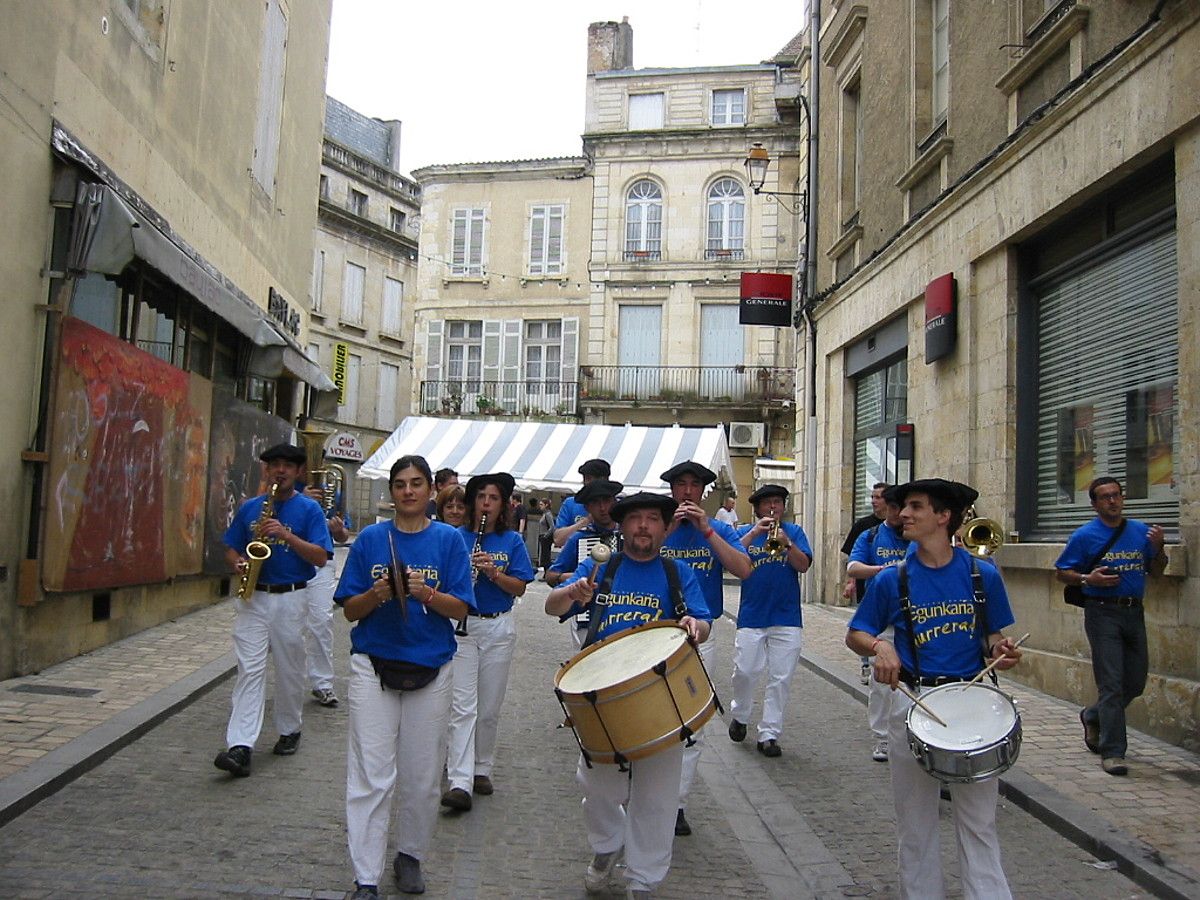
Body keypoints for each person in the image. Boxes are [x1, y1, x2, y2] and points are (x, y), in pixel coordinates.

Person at [846, 478, 1023, 900]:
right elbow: (856, 633)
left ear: (944, 517)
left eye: (915, 507)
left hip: (972, 705)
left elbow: (992, 637)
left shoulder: (984, 574)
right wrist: (879, 645)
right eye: (904, 506)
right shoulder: (894, 579)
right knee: (916, 824)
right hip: (912, 705)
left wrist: (1001, 649)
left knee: (979, 823)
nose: (903, 514)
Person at [545, 491, 712, 900]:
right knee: (596, 785)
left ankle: (643, 881)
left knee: (657, 796)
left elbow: (703, 622)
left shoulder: (677, 573)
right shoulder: (603, 566)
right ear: (622, 526)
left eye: (652, 518)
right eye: (634, 518)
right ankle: (606, 846)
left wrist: (694, 625)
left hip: (658, 694)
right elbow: (551, 606)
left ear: (665, 526)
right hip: (602, 694)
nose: (642, 525)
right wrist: (572, 594)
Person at [335, 455, 475, 899]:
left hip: (431, 668)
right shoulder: (371, 540)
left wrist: (425, 593)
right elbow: (349, 611)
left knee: (420, 774)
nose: (408, 491)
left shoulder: (450, 540)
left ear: (431, 489)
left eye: (417, 483)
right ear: (391, 492)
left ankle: (410, 855)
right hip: (373, 665)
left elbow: (462, 609)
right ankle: (366, 876)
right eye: (400, 484)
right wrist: (377, 594)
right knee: (370, 774)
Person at [214, 443, 333, 778]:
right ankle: (240, 745)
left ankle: (289, 728)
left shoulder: (309, 511)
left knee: (289, 668)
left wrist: (285, 535)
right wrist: (237, 562)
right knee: (249, 670)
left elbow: (321, 557)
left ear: (297, 473)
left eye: (287, 466)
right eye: (274, 465)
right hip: (253, 597)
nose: (280, 471)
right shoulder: (252, 508)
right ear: (267, 471)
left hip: (290, 598)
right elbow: (231, 547)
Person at [659, 460, 752, 837]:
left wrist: (707, 531)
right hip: (655, 635)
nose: (686, 492)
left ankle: (677, 804)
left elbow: (744, 569)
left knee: (691, 725)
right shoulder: (657, 525)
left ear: (703, 492)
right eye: (680, 485)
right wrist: (669, 527)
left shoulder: (719, 529)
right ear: (671, 491)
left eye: (693, 486)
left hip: (700, 637)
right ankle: (648, 796)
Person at [1055, 476, 1168, 776]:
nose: (1112, 501)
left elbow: (1156, 572)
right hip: (1102, 612)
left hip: (1134, 611)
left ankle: (1093, 715)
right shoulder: (1084, 536)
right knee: (1111, 683)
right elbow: (1062, 572)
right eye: (1105, 497)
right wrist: (1087, 579)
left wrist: (1158, 549)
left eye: (1116, 495)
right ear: (1094, 504)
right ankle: (1113, 751)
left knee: (1136, 681)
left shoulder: (1141, 532)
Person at [442, 472, 536, 812]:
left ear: (503, 505)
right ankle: (459, 780)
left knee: (489, 708)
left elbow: (521, 587)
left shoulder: (511, 541)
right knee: (463, 705)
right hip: (463, 626)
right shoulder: (454, 537)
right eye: (481, 497)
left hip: (498, 627)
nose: (486, 504)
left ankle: (482, 767)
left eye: (493, 498)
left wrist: (494, 574)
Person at [727, 485, 812, 758]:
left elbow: (803, 565)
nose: (773, 507)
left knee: (781, 677)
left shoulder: (795, 533)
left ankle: (769, 733)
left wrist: (787, 542)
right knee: (745, 671)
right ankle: (740, 713)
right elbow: (732, 561)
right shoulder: (743, 533)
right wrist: (754, 533)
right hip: (752, 615)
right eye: (768, 504)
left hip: (786, 616)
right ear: (758, 509)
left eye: (778, 502)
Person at [845, 485, 909, 761]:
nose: (899, 514)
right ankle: (882, 736)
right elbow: (852, 567)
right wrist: (881, 571)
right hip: (881, 619)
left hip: (913, 619)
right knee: (882, 682)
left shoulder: (915, 535)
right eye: (893, 508)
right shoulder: (870, 536)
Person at [545, 479, 623, 649]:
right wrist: (574, 578)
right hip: (588, 618)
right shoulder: (579, 538)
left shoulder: (628, 535)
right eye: (596, 503)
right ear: (587, 508)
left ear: (615, 502)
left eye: (607, 501)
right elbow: (550, 576)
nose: (602, 508)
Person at [300, 465, 353, 709]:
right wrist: (303, 500)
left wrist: (338, 530)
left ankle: (323, 683)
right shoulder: (288, 492)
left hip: (324, 562)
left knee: (322, 620)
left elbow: (344, 535)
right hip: (292, 560)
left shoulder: (333, 492)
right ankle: (290, 681)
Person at [841, 482, 889, 684]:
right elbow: (851, 559)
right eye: (872, 497)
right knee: (866, 628)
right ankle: (866, 665)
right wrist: (849, 582)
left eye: (878, 497)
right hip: (868, 589)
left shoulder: (905, 529)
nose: (873, 501)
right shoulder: (864, 527)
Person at [554, 458, 611, 548]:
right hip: (576, 556)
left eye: (588, 479)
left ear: (603, 480)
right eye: (585, 479)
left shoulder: (616, 505)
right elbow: (558, 540)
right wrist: (585, 521)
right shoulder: (571, 503)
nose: (585, 483)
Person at [537, 498, 555, 571]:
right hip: (543, 536)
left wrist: (545, 535)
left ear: (546, 505)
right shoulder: (545, 514)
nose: (540, 506)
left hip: (545, 537)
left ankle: (547, 571)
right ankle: (545, 571)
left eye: (541, 505)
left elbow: (552, 526)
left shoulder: (548, 514)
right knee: (544, 555)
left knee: (545, 555)